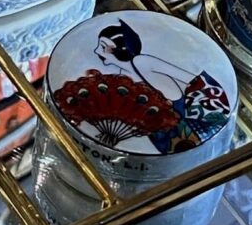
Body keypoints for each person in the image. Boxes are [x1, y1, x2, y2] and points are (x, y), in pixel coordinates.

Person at [93, 20, 231, 152]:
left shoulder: (141, 61)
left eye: (103, 47)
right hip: (164, 128)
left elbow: (190, 79)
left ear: (121, 48)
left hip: (187, 117)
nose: (97, 51)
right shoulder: (123, 77)